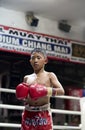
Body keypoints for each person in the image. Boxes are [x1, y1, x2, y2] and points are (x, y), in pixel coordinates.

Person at [16, 48, 65, 130]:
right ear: (30, 61)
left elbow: (61, 91)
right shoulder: (27, 78)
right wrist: (22, 96)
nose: (35, 60)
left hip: (43, 113)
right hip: (28, 113)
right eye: (33, 58)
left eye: (38, 58)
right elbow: (25, 97)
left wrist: (45, 90)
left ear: (45, 61)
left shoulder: (50, 75)